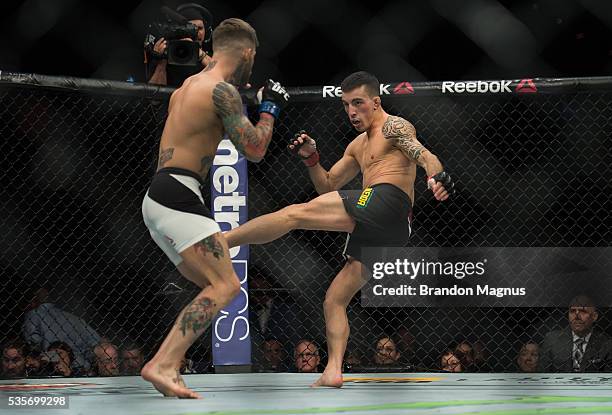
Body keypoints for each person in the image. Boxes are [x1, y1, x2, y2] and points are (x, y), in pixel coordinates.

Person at [225, 71, 453, 387]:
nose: (352, 111)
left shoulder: (394, 126)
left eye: (358, 103)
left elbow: (424, 154)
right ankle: (333, 370)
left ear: (376, 101)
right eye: (346, 105)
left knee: (293, 214)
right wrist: (311, 159)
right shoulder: (358, 145)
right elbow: (328, 186)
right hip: (389, 228)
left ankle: (223, 240)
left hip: (389, 202)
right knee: (334, 298)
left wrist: (434, 176)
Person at [141, 18, 289, 398]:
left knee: (214, 285)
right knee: (227, 285)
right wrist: (269, 109)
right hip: (179, 195)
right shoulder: (222, 92)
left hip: (160, 196)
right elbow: (254, 150)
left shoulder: (188, 87)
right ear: (248, 53)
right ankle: (162, 363)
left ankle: (169, 365)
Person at [538, 295, 612, 372]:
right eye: (572, 311)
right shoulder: (551, 339)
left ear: (594, 316)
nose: (576, 316)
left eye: (583, 311)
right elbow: (543, 373)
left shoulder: (607, 344)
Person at [148, 4, 214, 86]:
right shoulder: (165, 55)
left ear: (206, 31)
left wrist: (201, 55)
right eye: (191, 29)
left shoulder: (211, 56)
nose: (197, 33)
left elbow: (224, 78)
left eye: (200, 28)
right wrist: (162, 62)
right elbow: (154, 94)